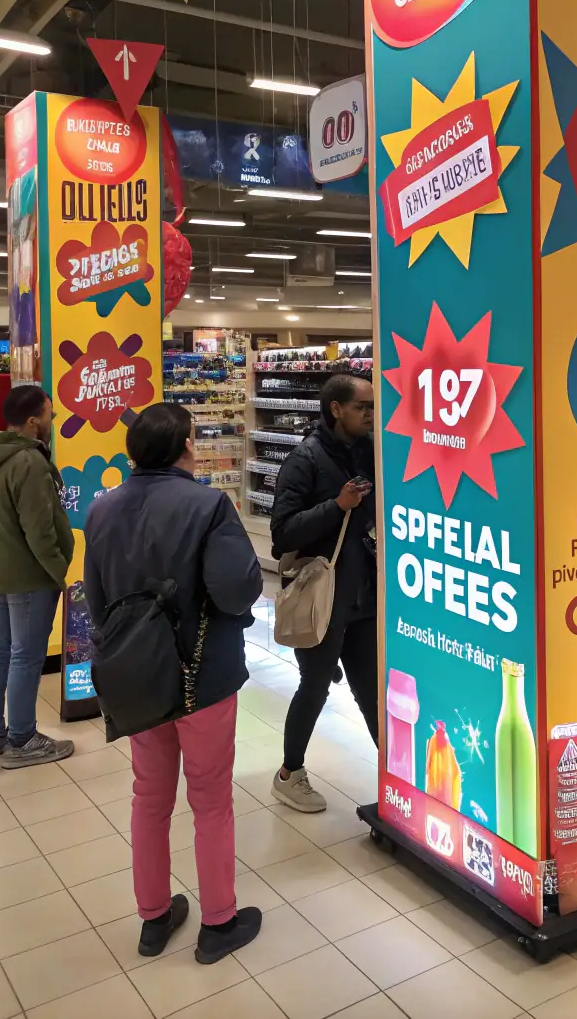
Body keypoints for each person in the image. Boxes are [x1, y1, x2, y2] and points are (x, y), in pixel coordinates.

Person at [83, 401, 264, 964]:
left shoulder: (102, 509)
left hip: (137, 676)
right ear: (186, 447)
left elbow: (95, 598)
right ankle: (218, 923)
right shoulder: (209, 506)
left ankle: (154, 918)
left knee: (149, 796)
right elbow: (237, 590)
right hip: (201, 676)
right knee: (210, 799)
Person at [270, 373, 378, 812]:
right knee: (314, 686)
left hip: (364, 596)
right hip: (323, 597)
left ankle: (396, 774)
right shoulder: (305, 459)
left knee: (372, 689)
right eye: (363, 407)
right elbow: (282, 532)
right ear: (336, 409)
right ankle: (288, 773)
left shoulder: (370, 451)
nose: (371, 415)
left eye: (373, 406)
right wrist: (336, 506)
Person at [0, 384, 75, 769]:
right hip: (30, 573)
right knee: (26, 657)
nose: (54, 419)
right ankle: (22, 738)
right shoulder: (28, 462)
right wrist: (58, 571)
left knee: (0, 650)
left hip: (1, 567)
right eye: (50, 413)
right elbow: (39, 529)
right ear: (34, 421)